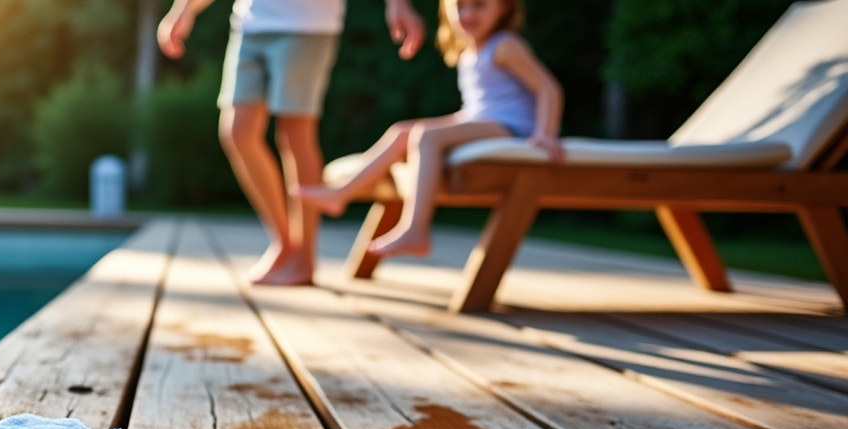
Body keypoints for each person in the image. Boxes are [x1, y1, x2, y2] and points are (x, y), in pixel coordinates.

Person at [157, 0, 427, 285]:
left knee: (294, 135)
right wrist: (184, 9)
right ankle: (285, 244)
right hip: (250, 23)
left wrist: (398, 4)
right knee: (237, 133)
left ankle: (303, 258)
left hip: (306, 26)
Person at [295, 0, 562, 258]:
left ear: (504, 6)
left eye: (479, 5)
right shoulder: (470, 49)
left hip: (511, 126)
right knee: (403, 131)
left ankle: (415, 229)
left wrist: (545, 134)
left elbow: (548, 89)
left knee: (426, 137)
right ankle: (341, 194)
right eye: (460, 6)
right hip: (484, 118)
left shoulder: (505, 46)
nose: (467, 14)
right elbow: (478, 106)